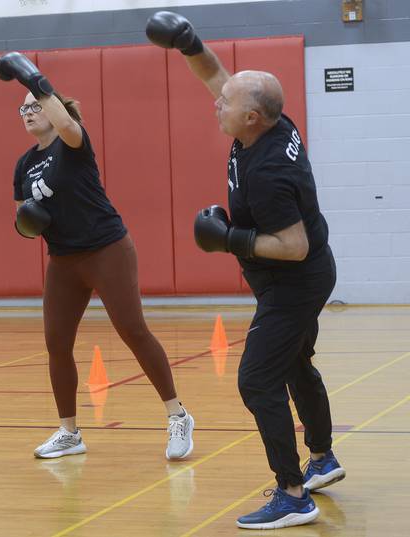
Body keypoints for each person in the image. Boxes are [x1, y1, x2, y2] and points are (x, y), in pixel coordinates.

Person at [145, 11, 346, 530]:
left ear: (252, 117)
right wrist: (188, 42)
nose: (217, 101)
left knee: (257, 380)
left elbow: (294, 245)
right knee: (296, 365)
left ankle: (293, 493)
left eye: (227, 103)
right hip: (308, 275)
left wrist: (230, 241)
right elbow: (217, 75)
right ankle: (322, 460)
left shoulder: (270, 172)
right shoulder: (266, 122)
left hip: (294, 281)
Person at [0, 52, 195, 461]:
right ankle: (69, 432)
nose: (28, 112)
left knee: (132, 329)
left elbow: (68, 124)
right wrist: (25, 223)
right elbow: (20, 216)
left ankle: (178, 415)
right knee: (56, 343)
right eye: (23, 110)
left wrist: (30, 79)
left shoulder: (72, 142)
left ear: (54, 110)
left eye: (35, 107)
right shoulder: (24, 164)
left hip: (106, 249)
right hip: (65, 259)